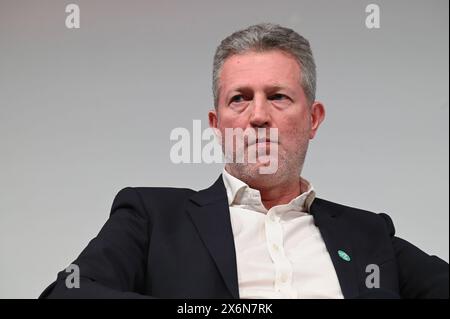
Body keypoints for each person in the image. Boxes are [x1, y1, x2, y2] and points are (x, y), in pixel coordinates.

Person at [40, 23, 448, 299]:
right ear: (217, 125)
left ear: (313, 119)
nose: (257, 116)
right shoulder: (152, 218)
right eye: (240, 98)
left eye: (278, 96)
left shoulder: (368, 234)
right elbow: (66, 294)